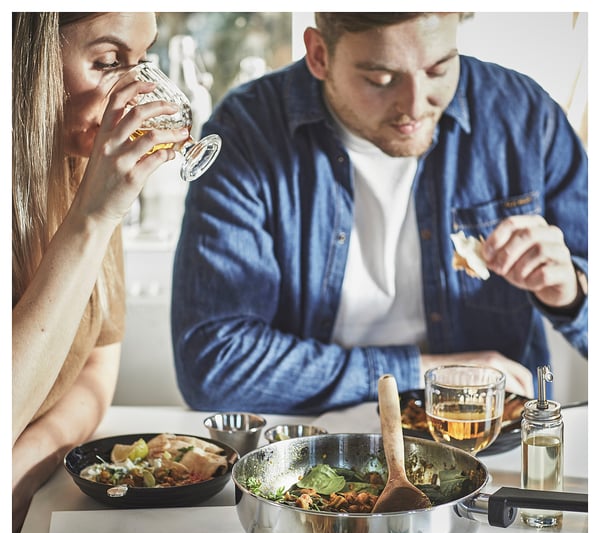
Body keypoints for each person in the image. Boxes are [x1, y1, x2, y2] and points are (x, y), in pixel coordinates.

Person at [171, 12, 587, 415]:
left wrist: (571, 292)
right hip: (311, 445)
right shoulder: (247, 132)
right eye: (381, 79)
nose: (416, 105)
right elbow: (213, 365)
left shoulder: (522, 115)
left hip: (493, 439)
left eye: (440, 69)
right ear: (319, 55)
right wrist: (423, 374)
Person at [12, 12, 190, 533]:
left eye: (141, 62)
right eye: (110, 62)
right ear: (27, 61)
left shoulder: (79, 171)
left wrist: (21, 467)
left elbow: (95, 369)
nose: (134, 90)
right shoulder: (93, 197)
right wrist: (92, 218)